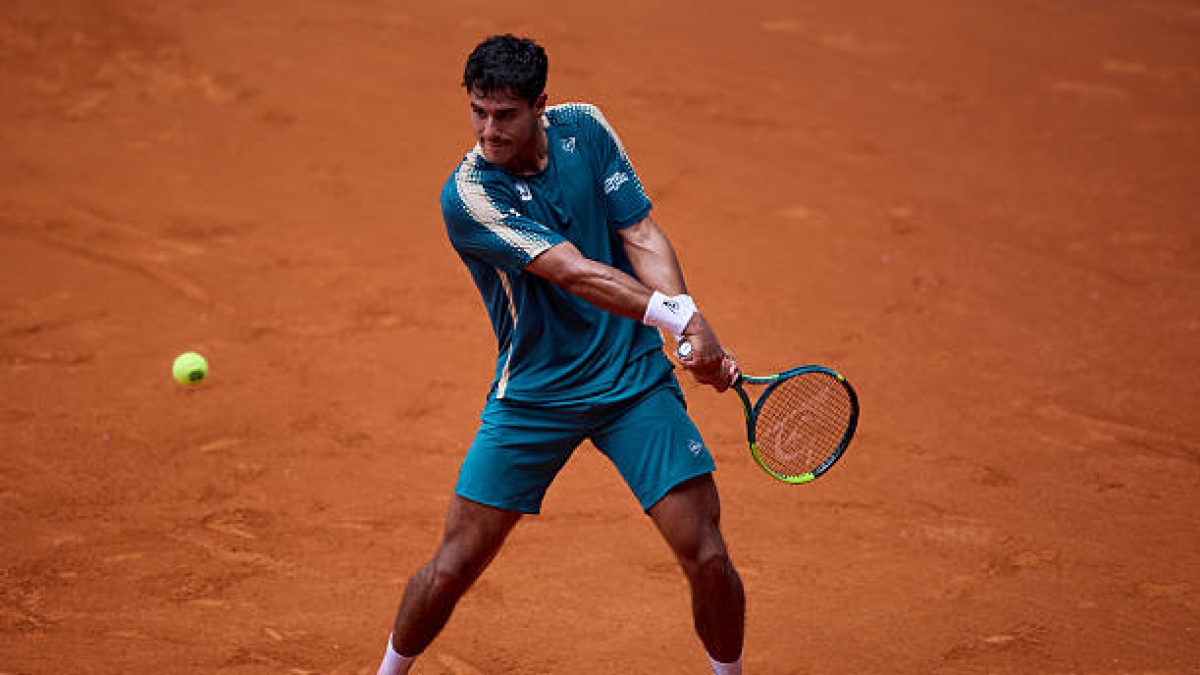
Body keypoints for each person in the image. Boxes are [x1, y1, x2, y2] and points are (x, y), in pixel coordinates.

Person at [377, 34, 745, 675]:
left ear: (540, 105)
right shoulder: (468, 195)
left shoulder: (586, 128)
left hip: (633, 383)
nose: (488, 130)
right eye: (478, 111)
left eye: (505, 115)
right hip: (534, 398)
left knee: (708, 556)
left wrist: (684, 326)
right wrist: (682, 317)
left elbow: (638, 231)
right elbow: (574, 273)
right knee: (453, 568)